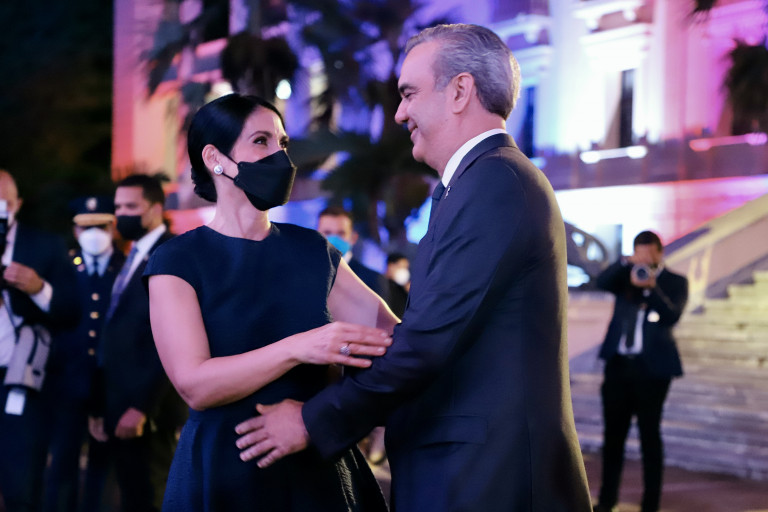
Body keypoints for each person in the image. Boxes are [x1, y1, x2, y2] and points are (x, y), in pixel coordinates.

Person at [235, 23, 593, 511]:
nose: (400, 113)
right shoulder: (477, 182)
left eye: (409, 94)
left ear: (460, 91)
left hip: (487, 481)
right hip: (470, 472)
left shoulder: (495, 182)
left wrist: (309, 420)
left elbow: (427, 342)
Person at [144, 93, 397, 511]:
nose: (280, 156)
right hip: (225, 469)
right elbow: (195, 385)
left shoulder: (313, 250)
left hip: (316, 468)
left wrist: (329, 416)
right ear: (215, 158)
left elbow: (391, 342)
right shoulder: (177, 259)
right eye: (261, 141)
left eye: (282, 143)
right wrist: (299, 347)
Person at [88, 175, 186, 512]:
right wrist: (101, 404)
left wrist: (142, 407)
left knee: (150, 496)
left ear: (155, 209)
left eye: (130, 206)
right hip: (120, 404)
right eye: (118, 207)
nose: (121, 214)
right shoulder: (132, 256)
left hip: (147, 413)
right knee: (130, 495)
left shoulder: (171, 254)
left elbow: (172, 340)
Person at [0, 169, 80, 512]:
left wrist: (39, 289)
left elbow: (71, 310)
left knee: (20, 483)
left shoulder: (44, 245)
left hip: (22, 379)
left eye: (3, 203)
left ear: (16, 204)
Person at [592, 231, 688, 512]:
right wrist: (625, 263)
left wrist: (652, 287)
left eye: (648, 254)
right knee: (613, 438)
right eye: (639, 253)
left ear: (659, 252)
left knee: (649, 438)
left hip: (653, 372)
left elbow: (672, 316)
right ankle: (607, 501)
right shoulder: (625, 277)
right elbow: (601, 282)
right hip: (618, 367)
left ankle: (650, 505)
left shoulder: (675, 281)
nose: (643, 260)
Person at [44, 196, 124, 512]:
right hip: (67, 386)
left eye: (101, 226)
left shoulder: (128, 269)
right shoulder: (62, 268)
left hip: (112, 388)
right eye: (86, 227)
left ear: (112, 227)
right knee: (61, 468)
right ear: (75, 231)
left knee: (103, 475)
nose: (94, 234)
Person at [317, 206, 388, 298]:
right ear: (316, 236)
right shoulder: (304, 276)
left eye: (341, 233)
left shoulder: (373, 281)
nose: (334, 239)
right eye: (327, 232)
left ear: (353, 238)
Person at [383, 252, 410, 318]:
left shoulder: (404, 290)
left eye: (406, 268)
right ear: (390, 266)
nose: (404, 271)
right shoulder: (380, 284)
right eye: (401, 267)